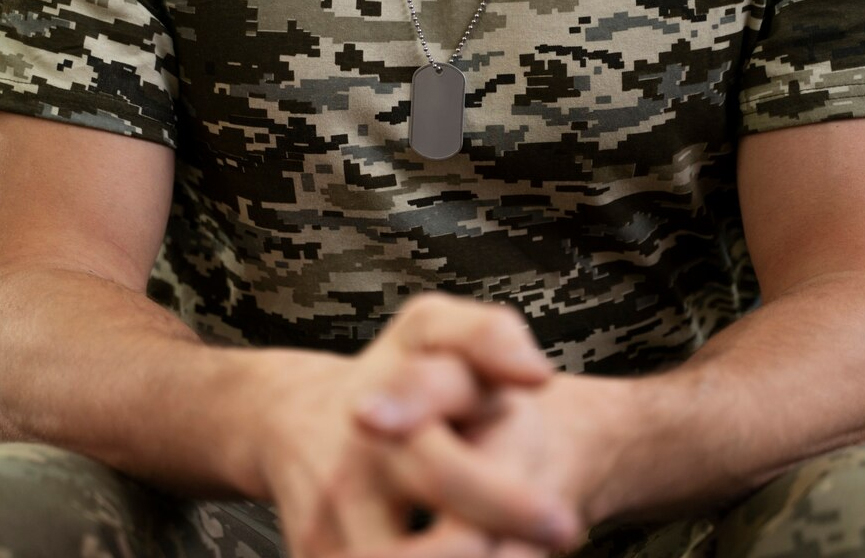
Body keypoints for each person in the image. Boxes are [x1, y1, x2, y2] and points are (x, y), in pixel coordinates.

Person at [1, 0, 865, 556]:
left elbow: (848, 285)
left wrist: (615, 441)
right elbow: (37, 282)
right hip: (229, 481)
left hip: (667, 487)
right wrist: (272, 417)